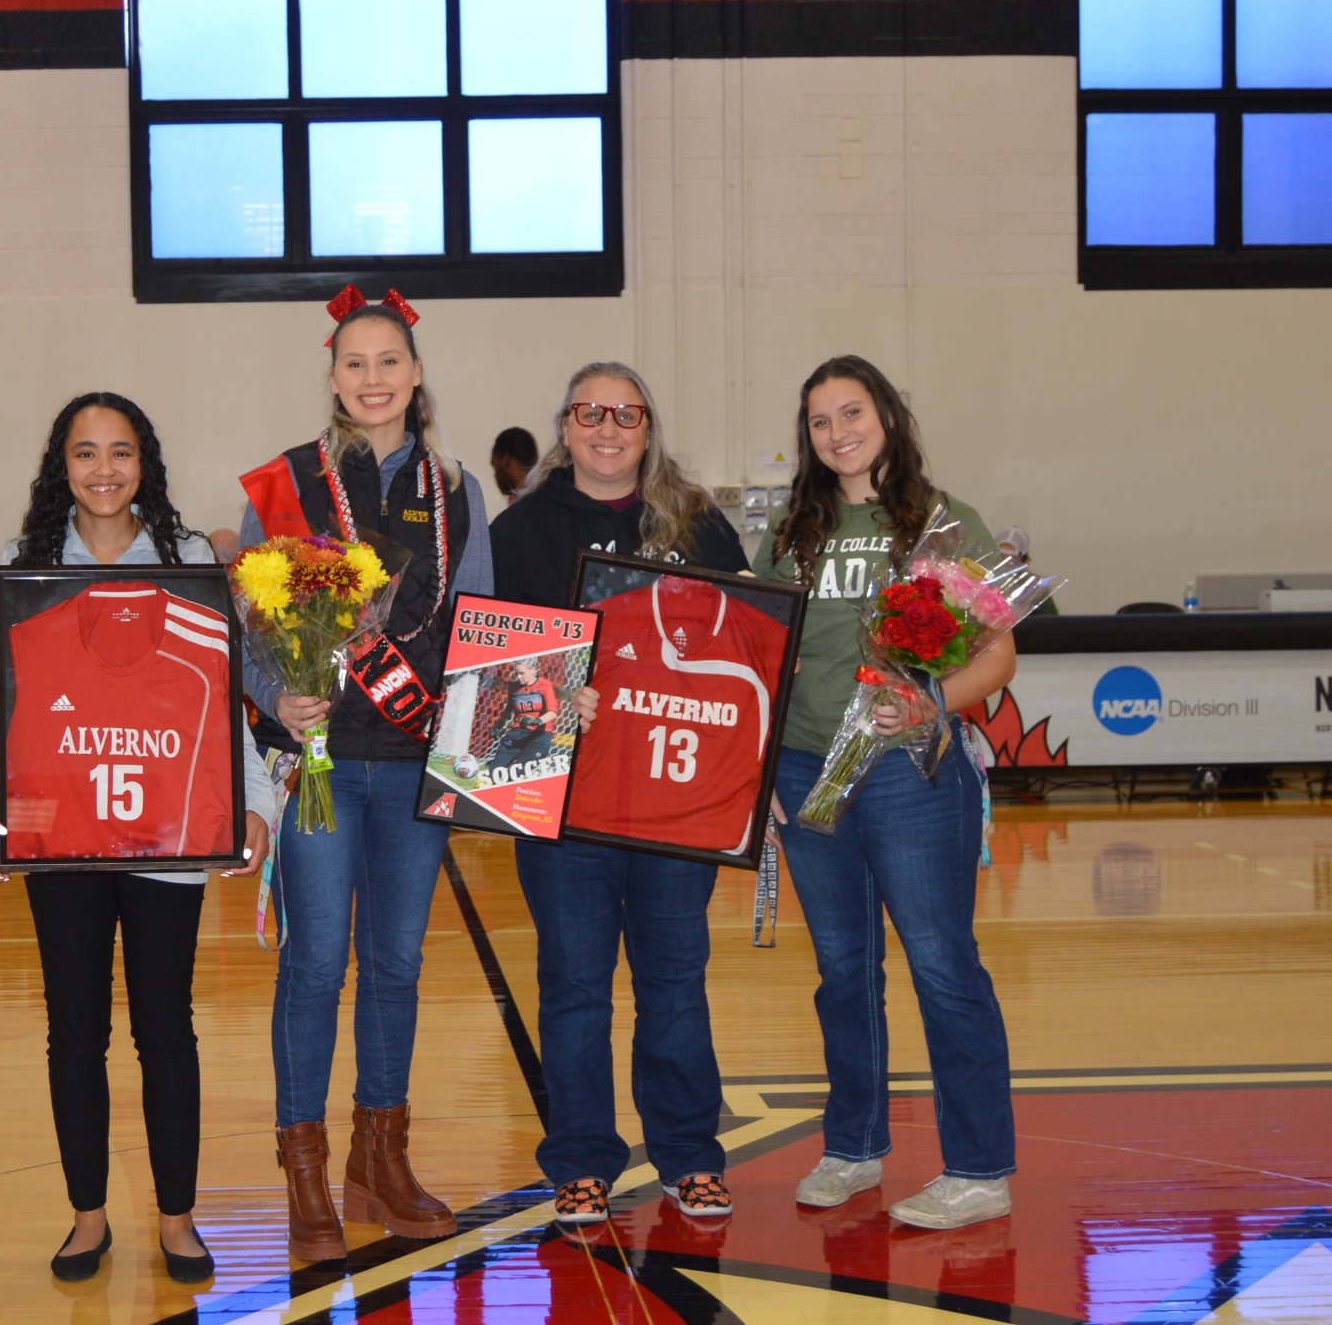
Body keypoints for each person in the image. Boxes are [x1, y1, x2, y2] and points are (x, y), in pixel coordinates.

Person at [0, 392, 278, 1286]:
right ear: (59, 464)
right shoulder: (26, 566)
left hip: (167, 837)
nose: (104, 469)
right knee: (74, 1031)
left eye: (121, 452)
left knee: (166, 1029)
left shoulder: (187, 562)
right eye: (85, 452)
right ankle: (88, 1217)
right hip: (59, 832)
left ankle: (177, 1218)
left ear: (146, 462)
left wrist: (253, 803)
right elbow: (6, 707)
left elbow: (225, 704)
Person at [237, 297, 493, 1261]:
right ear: (334, 373)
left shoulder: (459, 488)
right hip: (323, 761)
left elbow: (484, 626)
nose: (374, 377)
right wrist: (277, 697)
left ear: (416, 373)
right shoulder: (293, 479)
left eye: (391, 361)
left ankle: (378, 1158)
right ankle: (304, 1170)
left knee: (396, 963)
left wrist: (485, 759)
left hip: (418, 762)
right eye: (356, 362)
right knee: (313, 963)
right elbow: (248, 620)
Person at [754, 354, 1017, 1230]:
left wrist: (931, 699)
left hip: (908, 771)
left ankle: (979, 1168)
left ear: (889, 416)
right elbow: (756, 659)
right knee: (842, 971)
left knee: (942, 964)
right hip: (802, 769)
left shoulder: (946, 522)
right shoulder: (791, 531)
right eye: (821, 420)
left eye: (852, 411)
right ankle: (854, 1145)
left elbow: (998, 656)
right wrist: (758, 772)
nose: (838, 432)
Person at [489, 361, 747, 1226]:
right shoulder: (518, 531)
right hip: (565, 808)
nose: (608, 427)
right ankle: (581, 1162)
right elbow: (484, 676)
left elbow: (749, 653)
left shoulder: (702, 526)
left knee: (675, 981)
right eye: (590, 412)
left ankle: (688, 1155)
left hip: (676, 805)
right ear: (565, 425)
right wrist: (556, 685)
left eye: (626, 413)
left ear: (648, 427)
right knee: (573, 986)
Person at [995, 526, 1060, 617]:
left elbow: (1049, 622)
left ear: (1023, 557)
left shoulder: (1035, 587)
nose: (1007, 563)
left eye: (1012, 558)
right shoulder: (980, 579)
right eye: (1002, 556)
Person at [491, 426, 538, 504]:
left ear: (506, 460)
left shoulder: (526, 505)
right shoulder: (549, 495)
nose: (495, 475)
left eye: (495, 467)